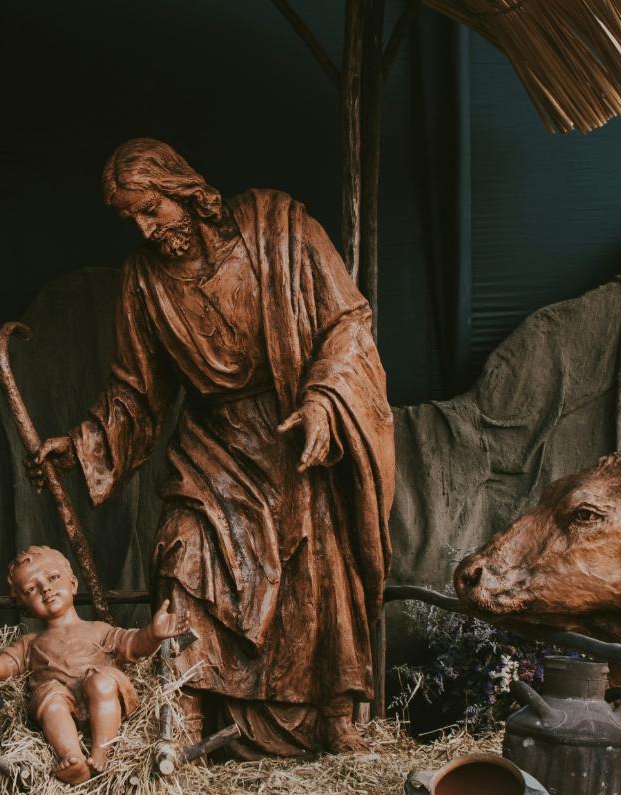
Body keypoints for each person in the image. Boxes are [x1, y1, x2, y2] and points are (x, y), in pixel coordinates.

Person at [32, 138, 394, 757]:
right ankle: (189, 712)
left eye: (152, 210)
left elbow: (347, 320)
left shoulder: (279, 226)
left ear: (181, 189)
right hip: (211, 443)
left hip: (291, 424)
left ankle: (334, 714)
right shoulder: (143, 282)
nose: (147, 230)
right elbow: (137, 390)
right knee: (185, 554)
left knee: (319, 549)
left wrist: (323, 401)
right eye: (133, 221)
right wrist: (86, 444)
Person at [0, 546, 188, 784]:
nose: (46, 588)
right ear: (24, 607)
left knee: (102, 679)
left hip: (103, 698)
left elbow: (133, 646)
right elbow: (2, 667)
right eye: (31, 589)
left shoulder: (99, 629)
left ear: (73, 583)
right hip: (62, 705)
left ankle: (101, 751)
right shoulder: (30, 643)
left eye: (53, 577)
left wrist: (153, 634)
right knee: (49, 694)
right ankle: (72, 757)